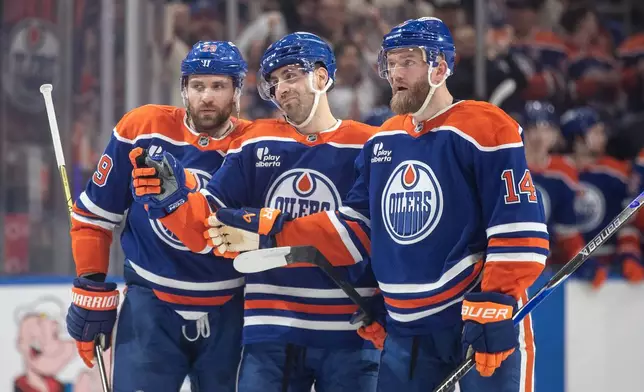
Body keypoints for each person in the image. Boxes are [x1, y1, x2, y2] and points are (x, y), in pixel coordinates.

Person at [207, 18, 548, 392]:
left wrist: (496, 301)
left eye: (408, 62)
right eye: (391, 63)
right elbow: (356, 229)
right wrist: (274, 231)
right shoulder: (384, 140)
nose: (396, 73)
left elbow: (518, 228)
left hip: (471, 317)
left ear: (440, 66)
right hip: (404, 330)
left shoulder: (484, 126)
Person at [131, 32, 382, 392]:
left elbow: (362, 235)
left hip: (352, 330)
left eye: (291, 75)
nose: (281, 88)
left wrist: (265, 227)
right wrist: (173, 201)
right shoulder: (256, 142)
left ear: (323, 77)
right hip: (271, 332)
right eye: (274, 81)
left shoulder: (368, 144)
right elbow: (207, 229)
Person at [65, 41, 250, 391]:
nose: (206, 97)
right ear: (183, 89)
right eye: (197, 86)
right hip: (150, 306)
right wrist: (90, 286)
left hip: (231, 307)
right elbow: (93, 217)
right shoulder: (143, 128)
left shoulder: (256, 143)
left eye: (218, 86)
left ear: (237, 90)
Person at [561, 107, 644, 286]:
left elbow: (630, 219)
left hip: (609, 269)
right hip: (559, 267)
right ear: (578, 138)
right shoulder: (557, 171)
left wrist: (630, 253)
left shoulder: (615, 172)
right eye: (597, 132)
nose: (603, 137)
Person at [518, 101, 586, 269]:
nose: (540, 136)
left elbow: (566, 228)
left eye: (547, 129)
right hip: (503, 259)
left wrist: (580, 257)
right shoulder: (505, 166)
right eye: (533, 128)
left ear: (556, 134)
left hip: (543, 266)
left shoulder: (563, 171)